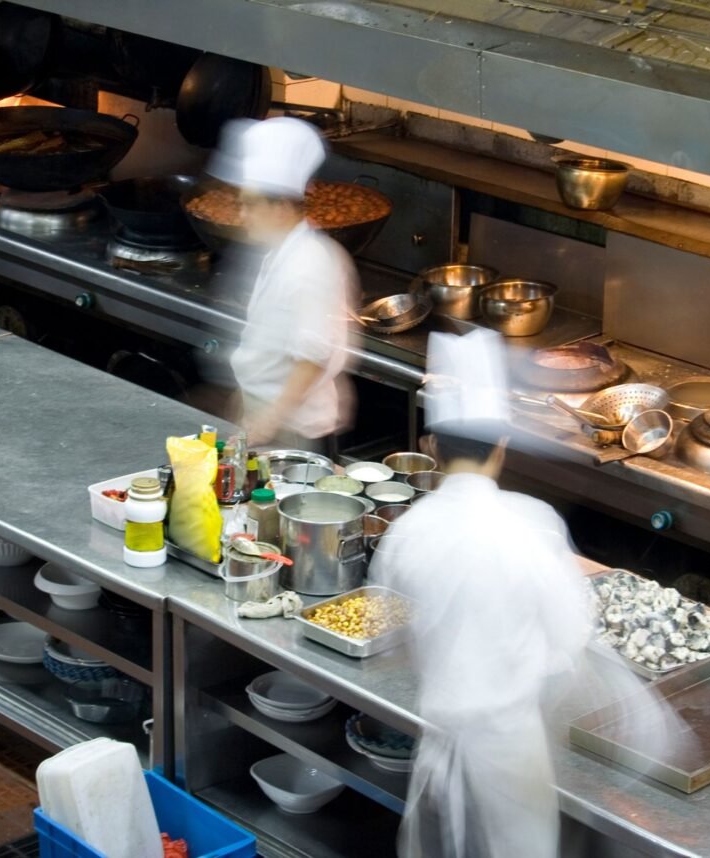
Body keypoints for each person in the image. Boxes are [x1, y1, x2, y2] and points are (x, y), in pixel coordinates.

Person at [371, 329, 594, 858]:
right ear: (503, 446)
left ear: (430, 446)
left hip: (440, 739)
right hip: (510, 752)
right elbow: (571, 639)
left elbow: (395, 639)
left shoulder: (407, 531)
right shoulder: (532, 524)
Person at [212, 117, 358, 451]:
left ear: (278, 208)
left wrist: (269, 420)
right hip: (272, 423)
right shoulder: (278, 253)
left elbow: (312, 356)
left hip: (297, 434)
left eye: (250, 204)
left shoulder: (310, 263)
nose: (242, 214)